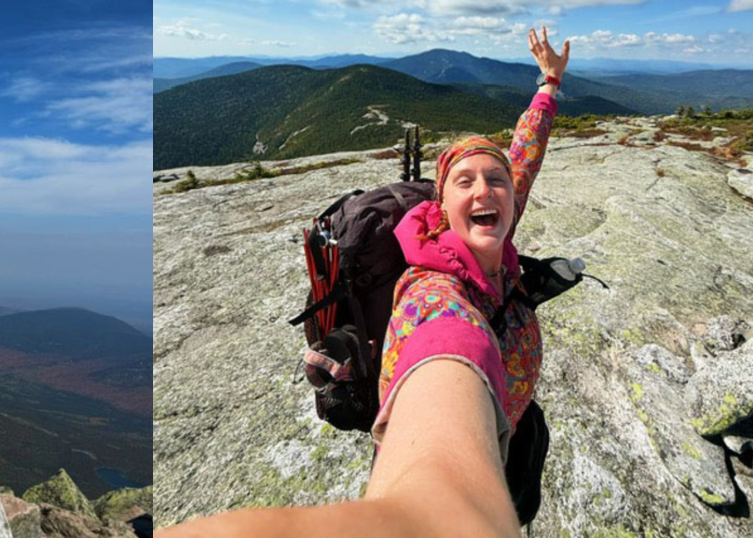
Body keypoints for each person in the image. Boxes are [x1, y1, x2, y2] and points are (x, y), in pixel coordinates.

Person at [158, 27, 569, 538]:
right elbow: (443, 360)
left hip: (514, 426)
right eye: (465, 181)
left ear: (511, 196)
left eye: (496, 180)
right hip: (480, 457)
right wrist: (434, 512)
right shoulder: (430, 293)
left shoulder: (496, 232)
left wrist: (549, 82)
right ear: (441, 208)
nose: (485, 188)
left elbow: (524, 154)